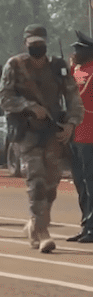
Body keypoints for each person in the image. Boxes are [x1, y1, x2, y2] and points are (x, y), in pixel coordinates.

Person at [0, 24, 82, 253]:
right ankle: (42, 232)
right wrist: (29, 106)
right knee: (35, 181)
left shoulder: (58, 67)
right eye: (32, 43)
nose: (37, 46)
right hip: (26, 132)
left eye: (40, 42)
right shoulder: (14, 65)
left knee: (52, 185)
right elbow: (4, 98)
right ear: (26, 43)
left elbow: (73, 97)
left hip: (52, 131)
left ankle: (34, 223)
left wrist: (71, 123)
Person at [69, 30, 93, 243]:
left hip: (90, 134)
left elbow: (80, 96)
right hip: (75, 134)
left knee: (91, 182)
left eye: (78, 49)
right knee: (81, 183)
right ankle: (86, 224)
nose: (74, 53)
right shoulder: (80, 71)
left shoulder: (92, 71)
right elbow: (69, 88)